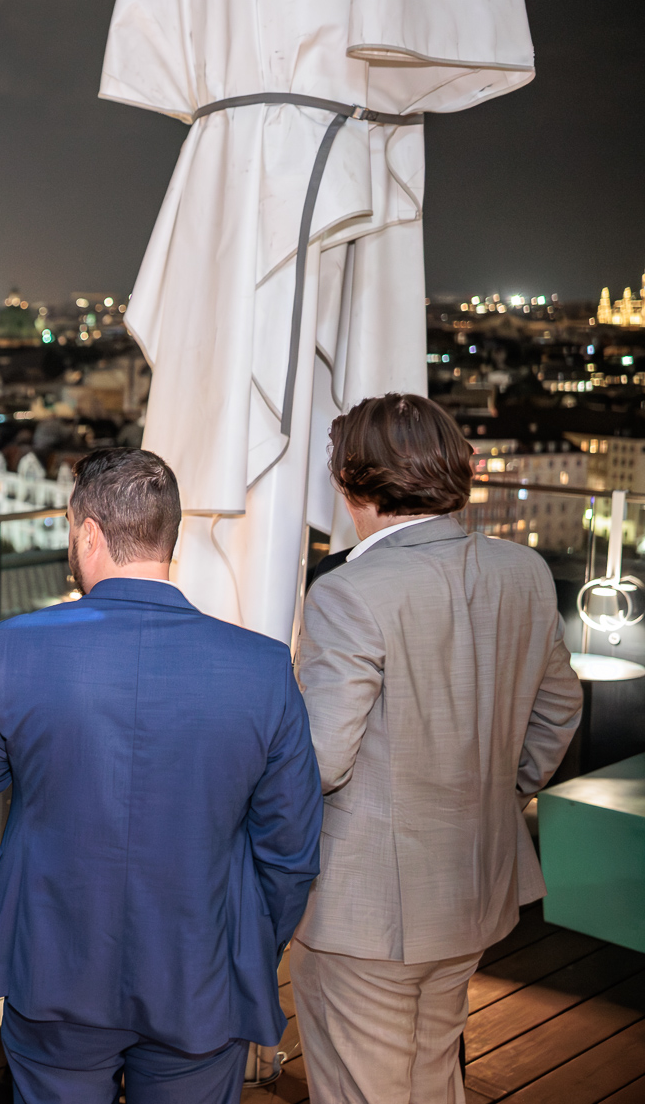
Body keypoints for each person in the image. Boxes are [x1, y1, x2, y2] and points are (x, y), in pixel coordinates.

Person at [0, 447, 321, 1104]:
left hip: (54, 965)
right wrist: (245, 945)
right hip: (201, 970)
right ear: (168, 536)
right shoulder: (262, 668)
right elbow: (291, 853)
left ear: (88, 532)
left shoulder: (23, 644)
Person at [293, 395, 582, 1104]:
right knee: (431, 1075)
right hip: (474, 885)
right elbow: (560, 707)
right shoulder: (524, 570)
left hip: (362, 908)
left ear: (350, 481)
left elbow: (321, 761)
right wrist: (500, 788)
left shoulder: (349, 591)